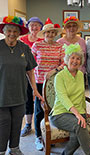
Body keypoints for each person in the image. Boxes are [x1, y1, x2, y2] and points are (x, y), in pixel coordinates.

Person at [0, 16, 43, 155]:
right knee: (3, 124)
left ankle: (14, 148)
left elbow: (30, 70)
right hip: (2, 94)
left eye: (15, 31)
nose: (12, 34)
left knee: (17, 123)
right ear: (5, 31)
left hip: (19, 93)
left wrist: (35, 90)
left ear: (19, 34)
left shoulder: (24, 48)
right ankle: (1, 150)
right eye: (9, 31)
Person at [50, 44, 90, 155]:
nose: (75, 61)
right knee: (80, 125)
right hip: (60, 113)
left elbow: (81, 96)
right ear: (67, 59)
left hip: (78, 112)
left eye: (78, 58)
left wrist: (84, 113)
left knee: (78, 134)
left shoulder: (81, 75)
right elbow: (63, 97)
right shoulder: (60, 76)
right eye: (72, 58)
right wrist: (77, 114)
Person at [31, 18, 65, 151]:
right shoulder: (37, 46)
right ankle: (38, 137)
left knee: (53, 109)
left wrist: (54, 70)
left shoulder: (59, 46)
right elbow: (29, 63)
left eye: (52, 32)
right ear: (43, 34)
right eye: (47, 32)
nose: (50, 35)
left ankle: (50, 134)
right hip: (39, 82)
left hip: (55, 83)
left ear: (55, 34)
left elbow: (64, 63)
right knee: (39, 109)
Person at [19, 17, 44, 137]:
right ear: (28, 27)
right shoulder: (22, 40)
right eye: (32, 25)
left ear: (41, 27)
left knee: (42, 101)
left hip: (40, 75)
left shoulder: (44, 40)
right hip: (26, 74)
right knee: (28, 99)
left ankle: (43, 125)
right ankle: (28, 125)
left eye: (37, 25)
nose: (34, 28)